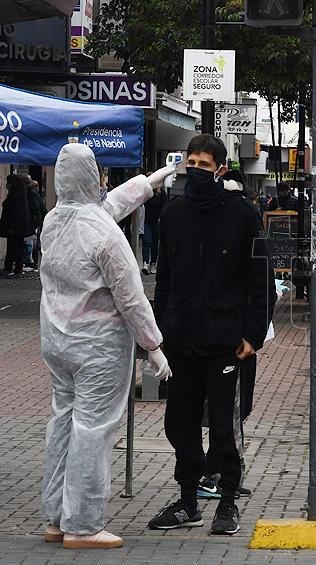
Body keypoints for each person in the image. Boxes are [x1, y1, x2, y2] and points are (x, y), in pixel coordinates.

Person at [40, 144, 174, 549]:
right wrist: (153, 344)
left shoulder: (54, 220)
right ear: (93, 177)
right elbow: (130, 297)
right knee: (92, 431)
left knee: (63, 424)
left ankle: (56, 518)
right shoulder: (104, 234)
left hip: (58, 342)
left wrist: (149, 183)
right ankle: (83, 525)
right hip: (98, 348)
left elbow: (105, 207)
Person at [148, 134, 276, 536]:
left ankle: (227, 502)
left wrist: (253, 335)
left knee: (224, 426)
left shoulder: (243, 215)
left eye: (204, 164)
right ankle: (188, 501)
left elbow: (262, 280)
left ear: (220, 169)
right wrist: (158, 330)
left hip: (226, 340)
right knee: (179, 422)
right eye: (191, 163)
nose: (196, 170)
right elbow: (164, 279)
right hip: (180, 339)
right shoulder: (173, 214)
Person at [199, 171, 272, 502]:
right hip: (231, 335)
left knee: (228, 408)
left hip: (222, 333)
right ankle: (216, 473)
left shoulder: (216, 221)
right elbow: (264, 283)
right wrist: (252, 335)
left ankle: (218, 470)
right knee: (231, 408)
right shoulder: (245, 220)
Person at [1, 174, 36, 277]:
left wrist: (10, 227)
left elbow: (13, 213)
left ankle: (9, 268)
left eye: (8, 183)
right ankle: (18, 268)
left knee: (12, 247)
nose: (6, 185)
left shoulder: (14, 196)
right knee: (19, 247)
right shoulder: (21, 195)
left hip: (14, 228)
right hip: (20, 227)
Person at [142, 177, 169, 276]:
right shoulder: (147, 192)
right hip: (146, 221)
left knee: (154, 243)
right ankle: (146, 263)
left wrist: (161, 217)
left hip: (156, 221)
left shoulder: (161, 193)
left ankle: (153, 263)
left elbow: (165, 205)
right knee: (147, 241)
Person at [23, 178, 44, 271]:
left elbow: (36, 210)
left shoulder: (31, 194)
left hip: (34, 223)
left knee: (34, 243)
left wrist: (35, 224)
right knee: (35, 243)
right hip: (36, 222)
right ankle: (33, 263)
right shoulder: (32, 193)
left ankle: (33, 263)